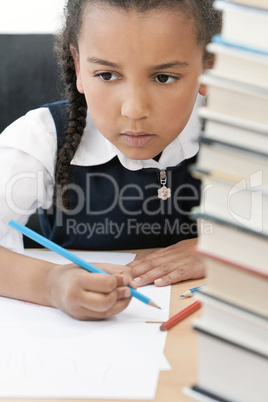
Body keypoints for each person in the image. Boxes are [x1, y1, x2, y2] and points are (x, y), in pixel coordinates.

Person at [0, 0, 222, 320]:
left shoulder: (239, 135)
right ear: (78, 67)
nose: (134, 109)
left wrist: (228, 254)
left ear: (207, 67)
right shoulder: (41, 137)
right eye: (106, 74)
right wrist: (49, 283)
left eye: (163, 77)